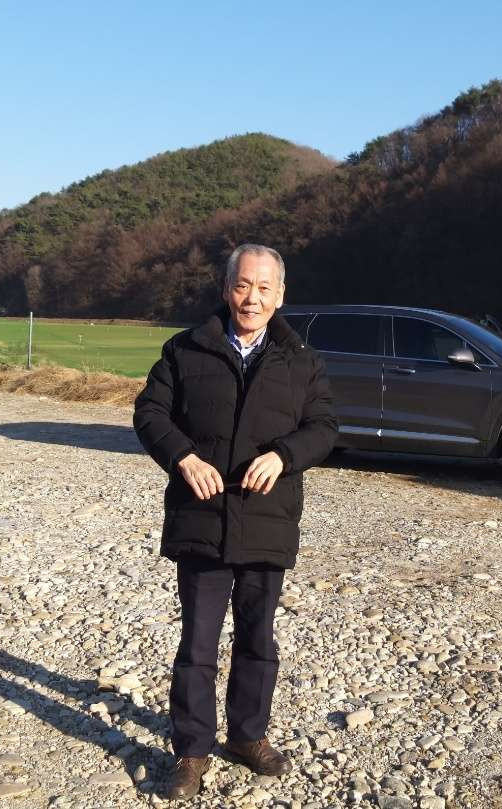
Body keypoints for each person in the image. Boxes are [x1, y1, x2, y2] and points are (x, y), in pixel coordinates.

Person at [133, 243, 337, 800]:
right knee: (198, 643)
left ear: (280, 295)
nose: (252, 298)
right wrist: (183, 457)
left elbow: (324, 427)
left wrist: (284, 456)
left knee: (257, 638)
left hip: (267, 519)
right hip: (201, 518)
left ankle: (248, 737)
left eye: (264, 288)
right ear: (226, 289)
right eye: (243, 285)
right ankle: (191, 750)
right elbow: (150, 413)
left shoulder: (303, 360)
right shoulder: (185, 349)